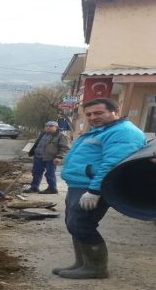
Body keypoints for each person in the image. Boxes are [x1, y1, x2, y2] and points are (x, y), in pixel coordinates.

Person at [55, 98, 146, 279]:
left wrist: (95, 191)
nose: (93, 117)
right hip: (79, 185)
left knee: (82, 225)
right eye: (89, 114)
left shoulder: (123, 132)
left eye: (98, 113)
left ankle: (96, 268)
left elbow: (113, 164)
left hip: (92, 187)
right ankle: (82, 263)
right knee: (74, 224)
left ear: (115, 111)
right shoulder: (102, 130)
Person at [24, 121, 70, 194]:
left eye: (51, 126)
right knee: (36, 172)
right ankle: (34, 188)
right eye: (47, 126)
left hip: (51, 158)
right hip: (38, 157)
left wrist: (59, 157)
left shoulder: (61, 136)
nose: (48, 127)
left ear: (56, 127)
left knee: (49, 173)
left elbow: (64, 148)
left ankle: (52, 189)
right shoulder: (43, 134)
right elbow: (37, 144)